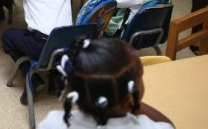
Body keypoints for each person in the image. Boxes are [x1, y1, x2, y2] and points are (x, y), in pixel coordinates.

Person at [38, 37, 174, 128]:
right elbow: (169, 125)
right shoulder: (150, 126)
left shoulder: (53, 123)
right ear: (129, 95)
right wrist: (131, 103)